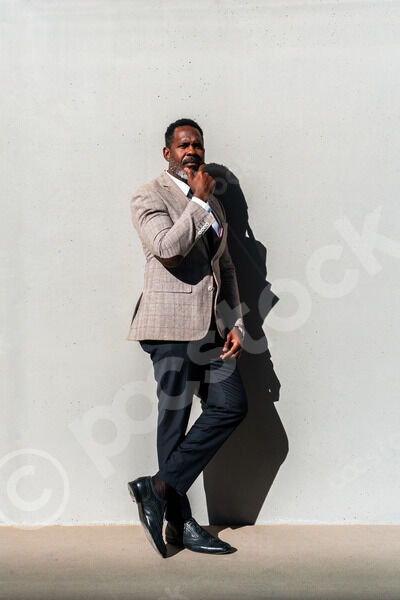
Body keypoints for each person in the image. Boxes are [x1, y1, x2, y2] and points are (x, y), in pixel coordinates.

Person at [126, 118, 248, 557]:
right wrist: (197, 201)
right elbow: (168, 249)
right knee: (174, 423)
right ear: (168, 153)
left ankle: (157, 487)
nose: (192, 151)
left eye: (197, 144)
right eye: (183, 145)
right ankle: (181, 525)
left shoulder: (215, 205)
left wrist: (235, 323)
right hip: (170, 328)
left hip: (213, 331)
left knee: (231, 406)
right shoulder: (148, 196)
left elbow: (225, 266)